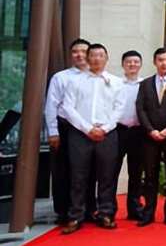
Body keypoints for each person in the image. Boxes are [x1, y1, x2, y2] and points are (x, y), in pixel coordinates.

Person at [60, 44, 125, 234]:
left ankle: (105, 213)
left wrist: (104, 128)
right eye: (93, 55)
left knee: (107, 176)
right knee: (78, 176)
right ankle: (75, 216)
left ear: (106, 58)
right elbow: (68, 108)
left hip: (108, 133)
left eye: (100, 55)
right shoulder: (76, 81)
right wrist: (87, 128)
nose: (96, 59)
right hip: (80, 134)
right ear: (87, 59)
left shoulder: (116, 82)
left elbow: (119, 109)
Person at [45, 38, 95, 224]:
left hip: (89, 129)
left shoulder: (96, 76)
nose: (80, 55)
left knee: (89, 170)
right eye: (75, 51)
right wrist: (53, 131)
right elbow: (51, 105)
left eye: (83, 51)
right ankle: (64, 211)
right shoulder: (61, 77)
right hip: (65, 128)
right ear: (71, 55)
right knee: (64, 170)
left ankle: (89, 209)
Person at [135, 48, 166, 226]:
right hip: (150, 137)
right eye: (160, 60)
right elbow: (140, 108)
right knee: (149, 176)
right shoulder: (145, 83)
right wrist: (150, 130)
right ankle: (148, 213)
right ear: (155, 61)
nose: (164, 63)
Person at [114, 50, 145, 221]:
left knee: (136, 171)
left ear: (140, 64)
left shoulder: (145, 84)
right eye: (128, 62)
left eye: (135, 62)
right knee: (112, 170)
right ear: (123, 64)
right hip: (118, 130)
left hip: (138, 132)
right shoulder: (115, 83)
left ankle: (134, 208)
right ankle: (109, 208)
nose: (132, 65)